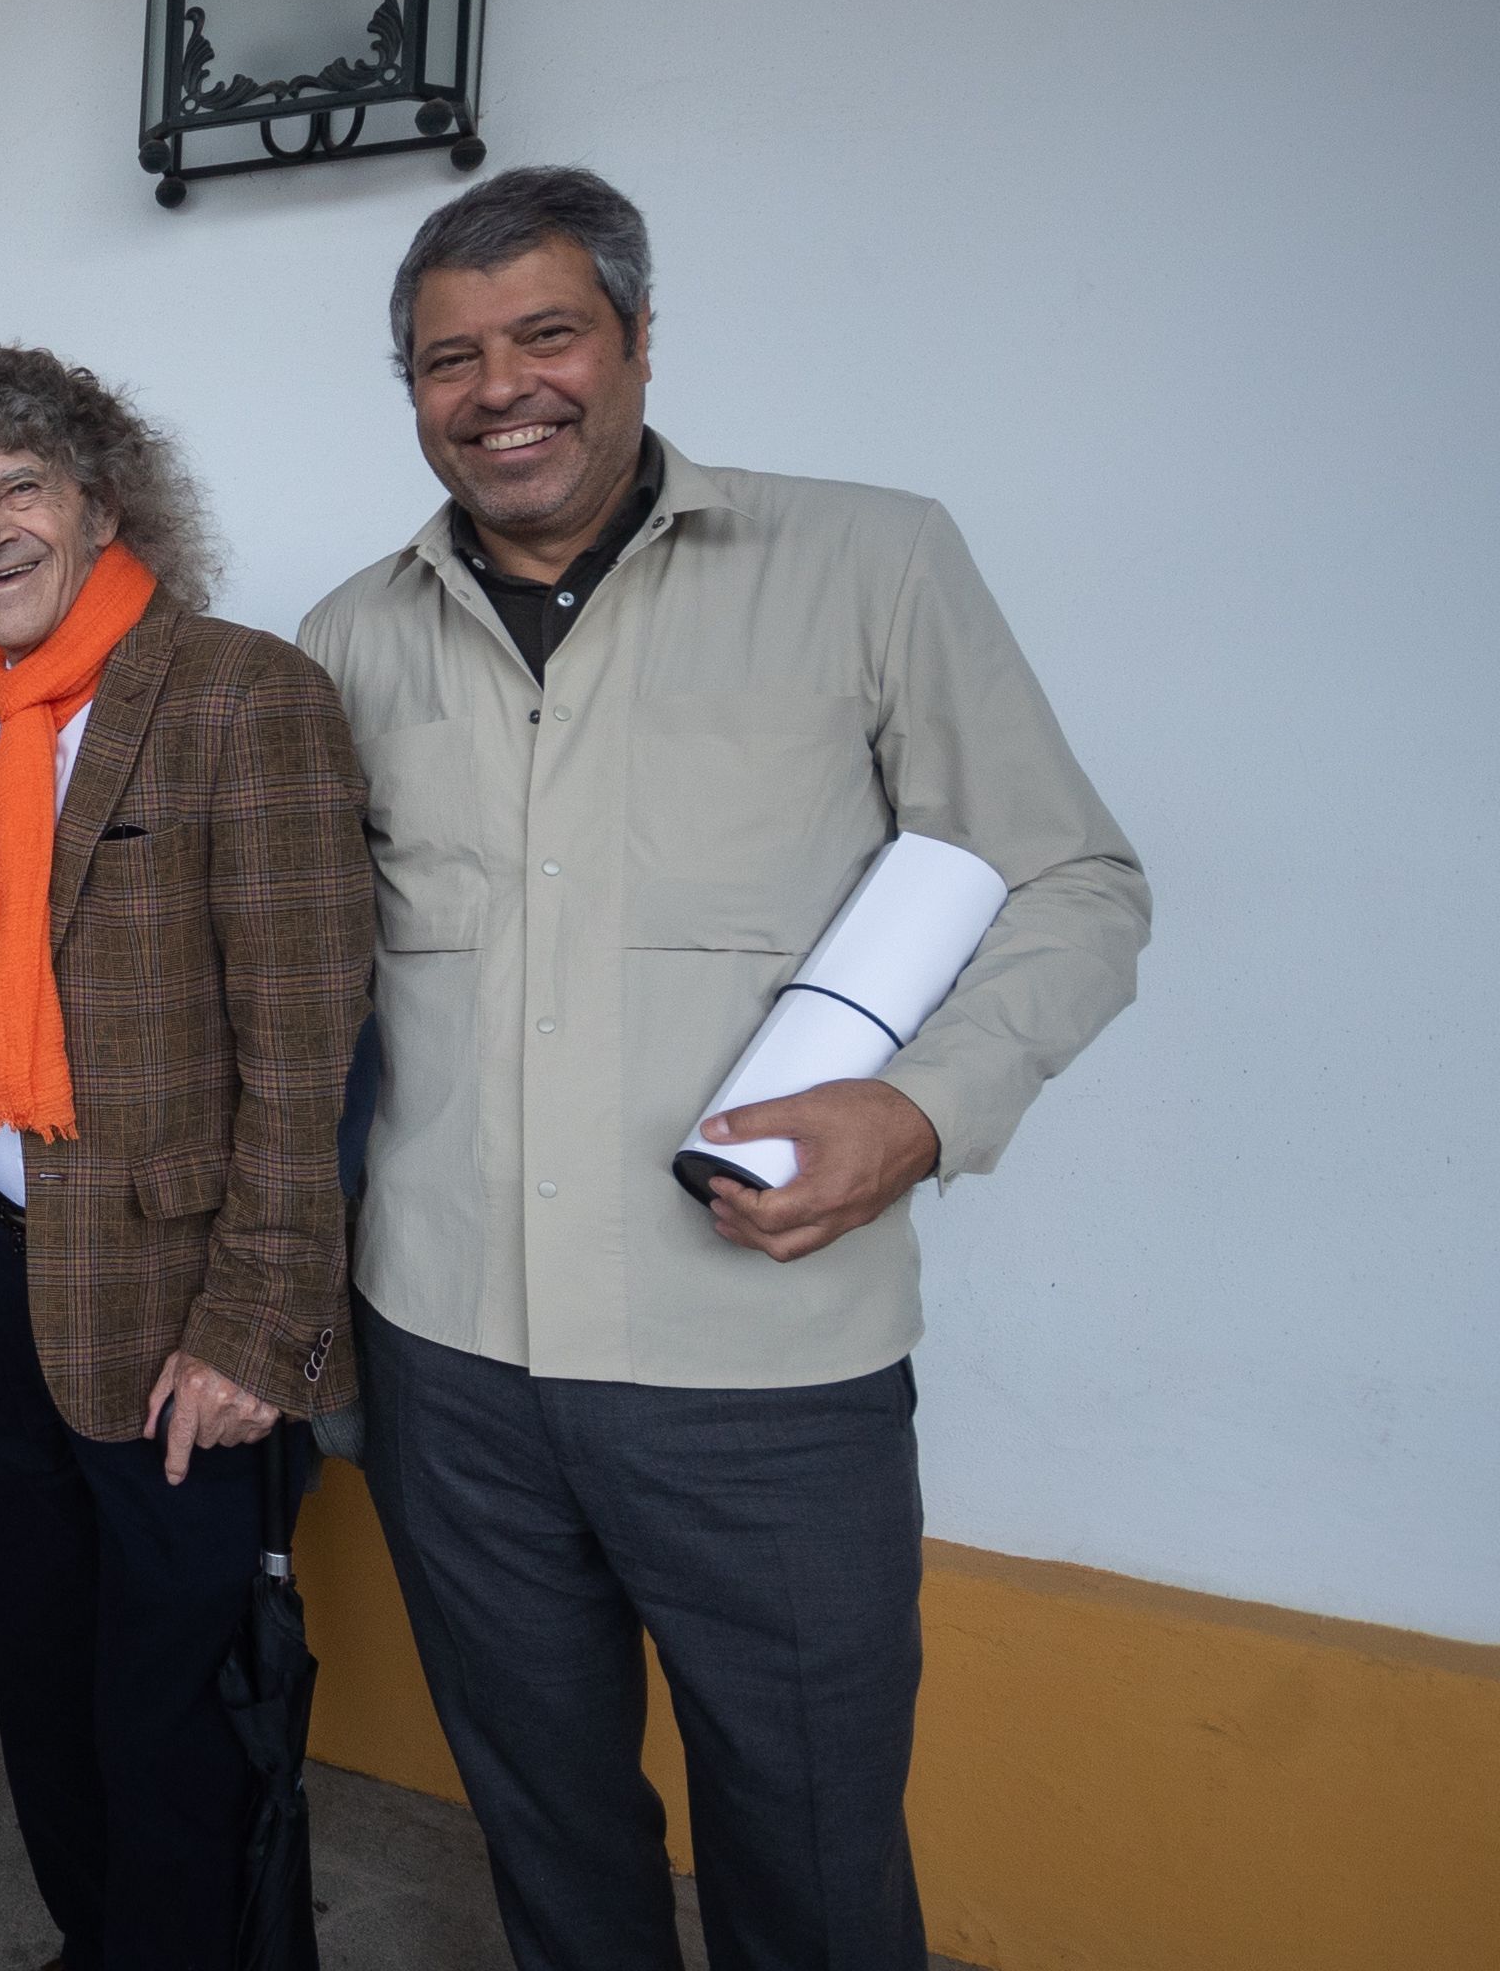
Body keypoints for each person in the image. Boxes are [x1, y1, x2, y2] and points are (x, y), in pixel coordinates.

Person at [296, 166, 1152, 1971]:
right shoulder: (348, 639)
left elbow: (1068, 878)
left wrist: (918, 1109)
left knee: (812, 1847)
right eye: (445, 357)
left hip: (757, 1373)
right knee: (545, 1825)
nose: (498, 386)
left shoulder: (867, 560)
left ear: (633, 342)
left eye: (544, 333)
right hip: (449, 1364)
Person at [0, 347, 372, 1971]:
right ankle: (102, 1941)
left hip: (183, 1302)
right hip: (19, 1264)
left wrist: (256, 1330)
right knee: (42, 1660)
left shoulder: (241, 692)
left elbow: (305, 1048)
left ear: (102, 502)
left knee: (177, 1705)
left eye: (19, 486)